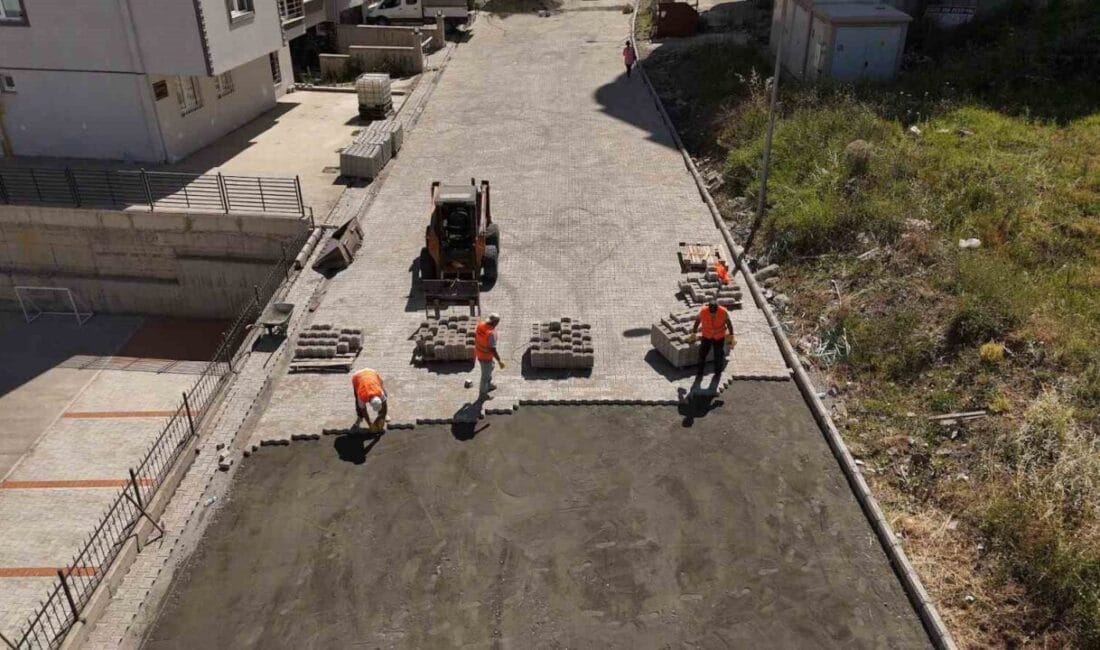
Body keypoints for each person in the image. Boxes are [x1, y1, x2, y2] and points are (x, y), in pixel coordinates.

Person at [690, 298, 735, 377]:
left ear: (717, 308)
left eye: (714, 312)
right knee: (702, 354)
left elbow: (729, 323)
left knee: (718, 355)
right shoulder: (703, 311)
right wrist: (694, 333)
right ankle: (700, 372)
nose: (712, 314)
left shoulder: (723, 311)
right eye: (711, 312)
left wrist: (731, 335)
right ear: (709, 307)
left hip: (719, 336)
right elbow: (697, 322)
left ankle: (717, 373)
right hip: (706, 336)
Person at [474, 313, 505, 400]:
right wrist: (499, 361)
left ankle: (489, 385)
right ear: (495, 323)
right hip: (485, 356)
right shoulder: (491, 334)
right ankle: (483, 394)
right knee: (485, 376)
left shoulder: (481, 325)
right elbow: (493, 349)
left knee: (490, 367)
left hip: (479, 352)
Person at [351, 367, 388, 433]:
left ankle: (382, 415)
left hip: (372, 373)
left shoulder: (380, 393)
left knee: (385, 393)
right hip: (357, 376)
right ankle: (360, 417)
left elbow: (385, 404)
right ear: (370, 403)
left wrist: (382, 417)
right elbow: (364, 410)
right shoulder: (362, 396)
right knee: (359, 404)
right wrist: (369, 423)